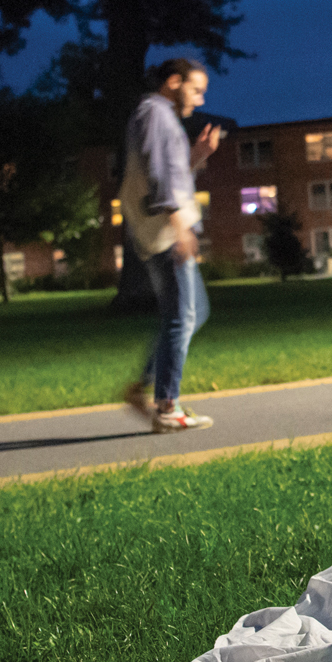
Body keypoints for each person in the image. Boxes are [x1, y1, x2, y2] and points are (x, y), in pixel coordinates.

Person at [120, 58, 222, 433]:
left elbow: (169, 170)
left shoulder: (155, 116)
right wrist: (181, 227)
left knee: (194, 313)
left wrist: (196, 157)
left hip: (163, 228)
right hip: (165, 231)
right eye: (196, 89)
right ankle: (166, 406)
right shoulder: (157, 113)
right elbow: (160, 173)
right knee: (182, 317)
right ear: (174, 82)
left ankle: (143, 386)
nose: (200, 98)